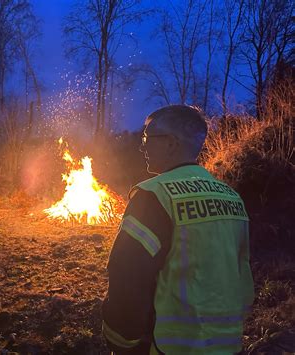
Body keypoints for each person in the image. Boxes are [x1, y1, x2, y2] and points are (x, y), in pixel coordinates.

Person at [102, 105, 254, 354]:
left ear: (171, 143)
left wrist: (122, 342)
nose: (142, 146)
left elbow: (127, 275)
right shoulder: (232, 198)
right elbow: (242, 276)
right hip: (228, 345)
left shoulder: (154, 196)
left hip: (172, 346)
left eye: (146, 138)